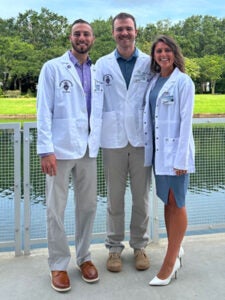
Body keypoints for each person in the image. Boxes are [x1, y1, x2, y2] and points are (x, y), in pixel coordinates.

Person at [36, 19, 103, 292]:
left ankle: (84, 258)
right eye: (77, 34)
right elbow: (43, 110)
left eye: (86, 34)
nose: (82, 38)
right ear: (70, 37)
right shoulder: (53, 68)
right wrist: (45, 149)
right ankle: (58, 264)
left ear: (93, 39)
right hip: (60, 151)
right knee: (56, 209)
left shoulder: (98, 72)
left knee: (88, 207)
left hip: (88, 149)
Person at [94, 12, 152, 272]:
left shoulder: (149, 63)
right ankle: (114, 249)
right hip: (113, 140)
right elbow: (95, 102)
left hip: (141, 141)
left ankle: (140, 246)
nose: (124, 33)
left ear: (136, 32)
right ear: (113, 33)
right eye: (119, 29)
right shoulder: (102, 64)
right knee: (114, 199)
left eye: (128, 29)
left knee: (141, 198)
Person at [143, 35, 195, 286]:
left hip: (176, 154)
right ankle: (177, 247)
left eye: (167, 50)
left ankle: (170, 262)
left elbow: (185, 123)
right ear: (154, 56)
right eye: (158, 51)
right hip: (158, 154)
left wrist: (181, 158)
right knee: (167, 202)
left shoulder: (183, 82)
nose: (163, 54)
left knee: (177, 201)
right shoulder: (154, 81)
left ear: (175, 53)